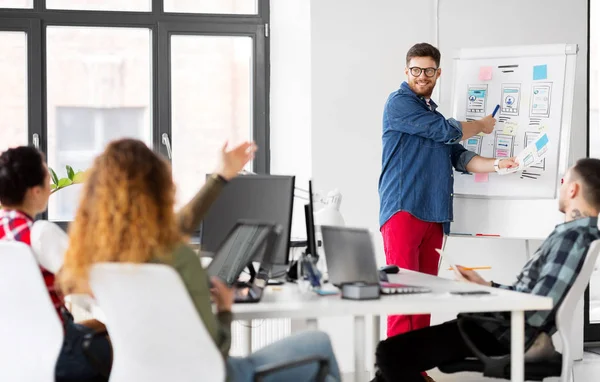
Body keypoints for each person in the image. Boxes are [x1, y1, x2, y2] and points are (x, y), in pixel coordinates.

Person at [58, 138, 341, 382]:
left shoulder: (99, 262)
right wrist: (225, 310)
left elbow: (179, 225)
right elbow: (216, 350)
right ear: (159, 191)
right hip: (213, 376)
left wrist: (222, 176)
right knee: (320, 342)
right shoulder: (178, 259)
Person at [373, 158, 600, 382]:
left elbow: (537, 306)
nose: (560, 187)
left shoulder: (572, 238)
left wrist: (487, 299)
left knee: (389, 354)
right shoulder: (576, 236)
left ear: (573, 190)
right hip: (499, 326)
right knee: (387, 371)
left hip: (503, 333)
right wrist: (487, 286)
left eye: (563, 182)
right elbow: (534, 296)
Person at [378, 42, 518, 344]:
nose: (422, 75)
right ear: (406, 71)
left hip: (435, 214)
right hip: (404, 210)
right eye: (416, 69)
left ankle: (416, 370)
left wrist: (498, 165)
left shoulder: (434, 116)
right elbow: (446, 131)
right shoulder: (398, 104)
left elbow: (461, 157)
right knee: (403, 298)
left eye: (428, 70)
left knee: (424, 299)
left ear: (438, 72)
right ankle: (395, 375)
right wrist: (481, 125)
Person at [0, 146, 111, 380]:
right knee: (122, 349)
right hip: (58, 354)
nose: (51, 186)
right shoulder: (39, 234)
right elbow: (88, 287)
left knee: (94, 326)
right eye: (47, 179)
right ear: (35, 191)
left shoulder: (5, 232)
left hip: (11, 355)